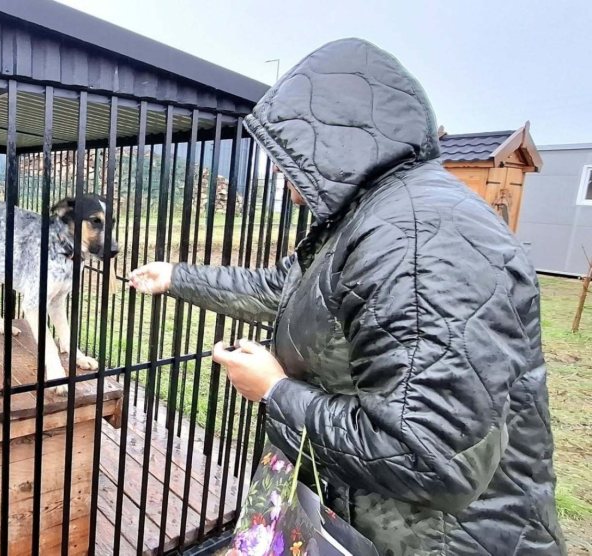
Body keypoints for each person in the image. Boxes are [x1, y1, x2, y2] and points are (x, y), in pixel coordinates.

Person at [129, 38, 565, 554]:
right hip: (362, 524)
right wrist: (175, 276)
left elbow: (428, 456)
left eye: (288, 151)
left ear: (338, 142)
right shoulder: (370, 218)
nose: (280, 169)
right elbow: (278, 289)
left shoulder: (420, 237)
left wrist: (274, 390)